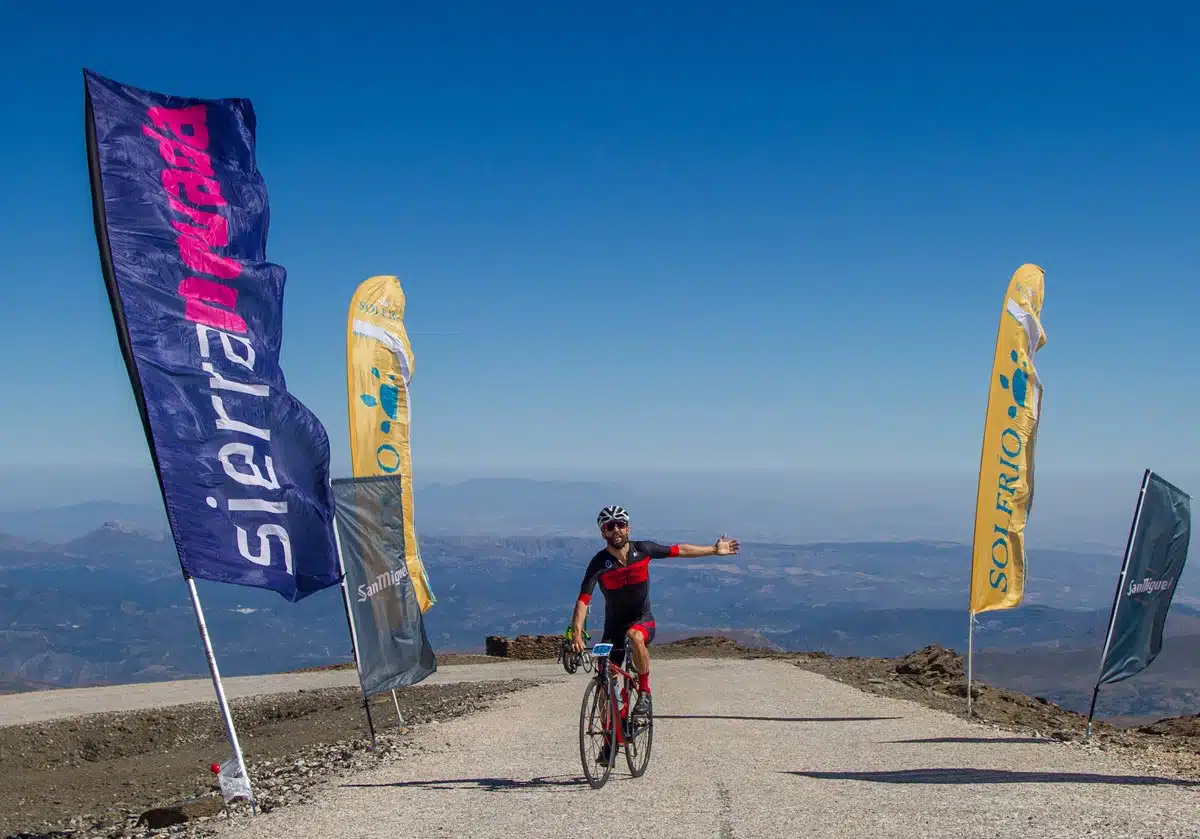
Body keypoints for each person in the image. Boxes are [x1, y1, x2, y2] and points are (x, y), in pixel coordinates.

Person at [570, 504, 740, 722]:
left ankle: (644, 692)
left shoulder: (643, 550)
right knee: (604, 679)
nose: (616, 530)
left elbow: (679, 550)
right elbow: (583, 600)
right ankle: (608, 740)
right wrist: (576, 635)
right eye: (610, 526)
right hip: (613, 629)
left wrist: (714, 550)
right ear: (603, 532)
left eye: (620, 525)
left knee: (634, 636)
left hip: (642, 620)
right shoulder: (598, 564)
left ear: (628, 528)